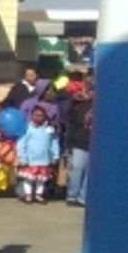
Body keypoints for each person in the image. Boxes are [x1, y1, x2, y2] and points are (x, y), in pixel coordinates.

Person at [16, 105, 60, 204]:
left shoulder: (49, 129)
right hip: (30, 160)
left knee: (41, 179)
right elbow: (21, 144)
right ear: (31, 116)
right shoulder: (27, 128)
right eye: (35, 115)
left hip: (44, 159)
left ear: (45, 116)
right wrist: (22, 157)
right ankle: (28, 195)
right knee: (29, 179)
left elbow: (54, 142)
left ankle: (38, 195)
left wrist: (55, 156)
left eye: (40, 115)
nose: (38, 117)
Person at [63, 79, 93, 207]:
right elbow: (68, 117)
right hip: (80, 141)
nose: (90, 93)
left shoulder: (103, 104)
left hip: (95, 143)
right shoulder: (79, 104)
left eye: (93, 90)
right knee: (76, 168)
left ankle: (83, 198)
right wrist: (73, 101)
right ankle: (72, 195)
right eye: (89, 90)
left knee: (90, 172)